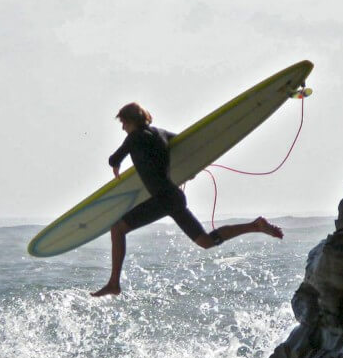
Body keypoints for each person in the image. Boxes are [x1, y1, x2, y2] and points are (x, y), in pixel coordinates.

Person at [91, 102, 284, 297]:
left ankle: (114, 283)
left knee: (118, 228)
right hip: (174, 196)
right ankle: (255, 226)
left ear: (131, 120)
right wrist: (190, 169)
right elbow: (188, 149)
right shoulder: (160, 133)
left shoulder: (134, 138)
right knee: (206, 241)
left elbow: (113, 159)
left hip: (163, 199)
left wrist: (116, 166)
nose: (123, 128)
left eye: (123, 123)